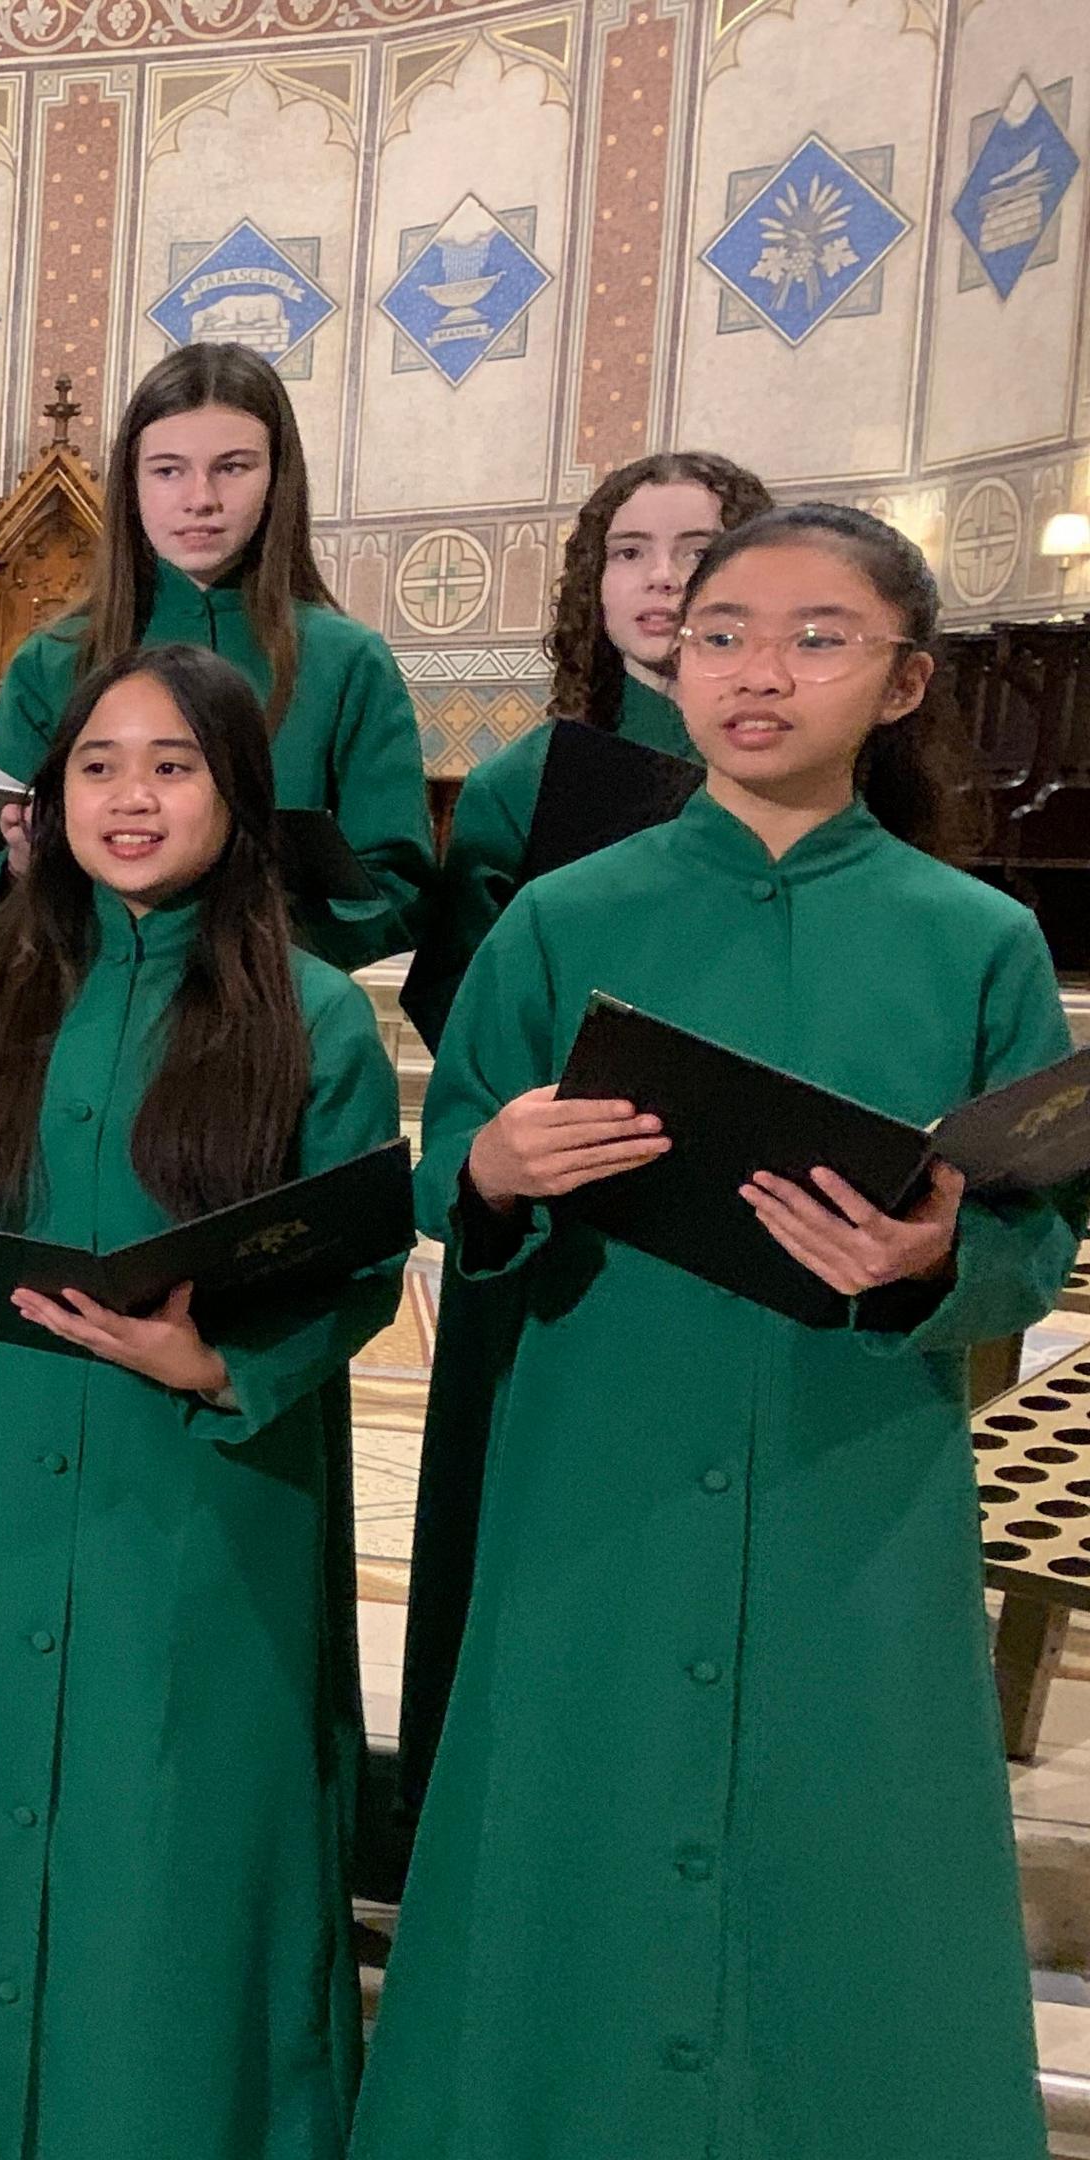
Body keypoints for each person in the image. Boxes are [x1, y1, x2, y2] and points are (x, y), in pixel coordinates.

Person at [360, 505, 1079, 2159]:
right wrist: (492, 1163)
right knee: (573, 1814)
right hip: (594, 1456)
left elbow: (1037, 1231)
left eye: (818, 637)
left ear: (903, 684)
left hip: (859, 1471)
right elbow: (447, 1168)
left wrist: (922, 1264)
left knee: (856, 1836)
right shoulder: (559, 919)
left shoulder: (978, 944)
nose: (761, 670)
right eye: (723, 631)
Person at [0, 642, 402, 2160]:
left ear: (238, 792)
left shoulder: (316, 1020)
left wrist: (228, 1366)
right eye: (96, 765)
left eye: (173, 765)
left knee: (167, 1845)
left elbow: (356, 1270)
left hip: (193, 1493)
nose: (130, 798)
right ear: (48, 795)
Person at [389, 451, 773, 1826]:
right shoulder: (527, 782)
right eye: (628, 550)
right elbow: (459, 997)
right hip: (560, 1220)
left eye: (695, 547)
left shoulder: (824, 787)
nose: (660, 577)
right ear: (588, 585)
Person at [0, 344, 429, 967]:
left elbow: (396, 889)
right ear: (130, 484)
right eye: (167, 470)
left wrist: (246, 943)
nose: (200, 498)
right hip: (90, 993)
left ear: (278, 478)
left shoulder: (348, 662)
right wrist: (22, 866)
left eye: (232, 467)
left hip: (273, 1007)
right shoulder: (51, 661)